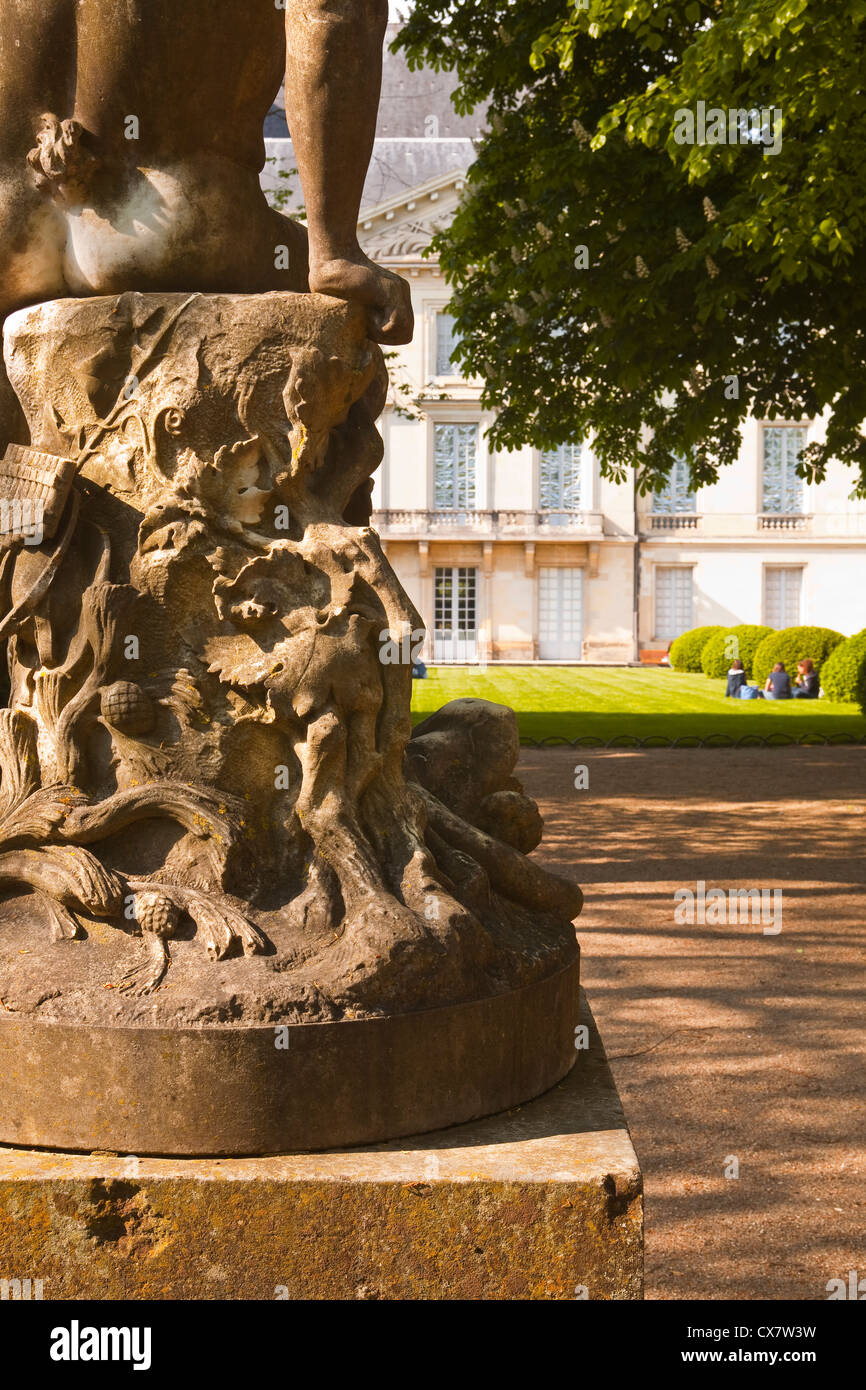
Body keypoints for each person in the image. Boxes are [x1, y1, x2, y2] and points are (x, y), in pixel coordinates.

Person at [0, 0, 413, 448]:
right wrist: (335, 251)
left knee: (18, 509)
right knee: (349, 364)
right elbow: (332, 14)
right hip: (154, 216)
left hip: (13, 227)